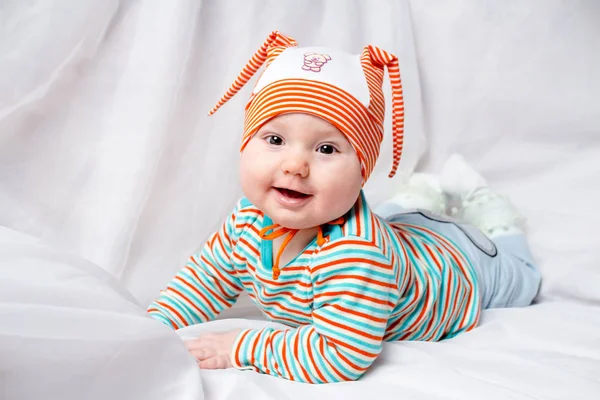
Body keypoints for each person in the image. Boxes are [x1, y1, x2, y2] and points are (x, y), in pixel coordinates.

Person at [147, 31, 541, 383]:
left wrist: (241, 347)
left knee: (523, 279)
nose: (294, 165)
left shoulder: (357, 254)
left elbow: (341, 354)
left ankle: (489, 209)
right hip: (398, 239)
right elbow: (205, 279)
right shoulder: (247, 219)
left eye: (326, 149)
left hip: (460, 266)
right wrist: (154, 324)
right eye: (274, 139)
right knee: (389, 222)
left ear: (362, 170)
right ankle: (422, 193)